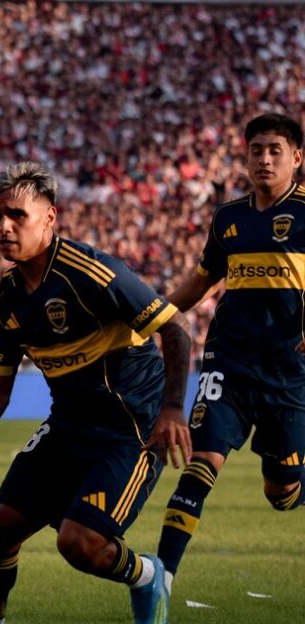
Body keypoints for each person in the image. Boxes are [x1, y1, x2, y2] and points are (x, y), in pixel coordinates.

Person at [0, 161, 192, 624]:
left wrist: (173, 408)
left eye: (16, 215)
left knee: (80, 544)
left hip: (130, 429)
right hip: (67, 426)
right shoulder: (6, 301)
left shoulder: (94, 274)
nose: (3, 226)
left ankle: (147, 577)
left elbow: (175, 332)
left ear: (50, 218)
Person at [157, 113, 305, 592]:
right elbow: (202, 280)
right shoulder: (229, 217)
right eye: (256, 149)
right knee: (202, 460)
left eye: (274, 150)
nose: (264, 159)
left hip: (291, 370)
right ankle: (161, 579)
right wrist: (150, 315)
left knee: (282, 492)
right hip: (231, 359)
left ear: (296, 158)